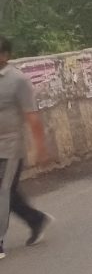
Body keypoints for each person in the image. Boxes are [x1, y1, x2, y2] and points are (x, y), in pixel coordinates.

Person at [0, 36, 53, 259]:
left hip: (11, 147)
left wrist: (40, 147)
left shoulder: (18, 80)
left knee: (3, 192)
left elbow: (31, 115)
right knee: (9, 194)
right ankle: (36, 220)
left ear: (5, 55)